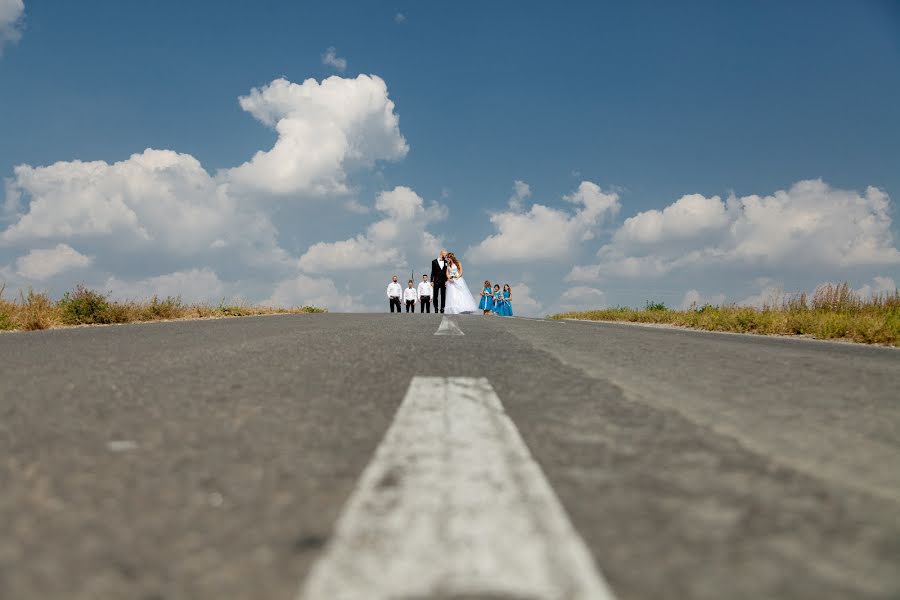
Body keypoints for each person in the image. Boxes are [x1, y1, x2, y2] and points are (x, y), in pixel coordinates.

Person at [430, 249, 449, 314]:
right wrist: (431, 281)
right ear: (442, 253)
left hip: (444, 281)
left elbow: (447, 272)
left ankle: (442, 308)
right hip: (436, 281)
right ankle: (436, 308)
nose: (446, 255)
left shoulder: (446, 262)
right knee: (435, 295)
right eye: (445, 254)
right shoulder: (434, 261)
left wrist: (447, 281)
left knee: (443, 295)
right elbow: (432, 272)